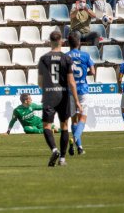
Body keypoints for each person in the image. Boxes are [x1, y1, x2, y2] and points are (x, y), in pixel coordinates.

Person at [38, 31, 82, 167]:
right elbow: (72, 82)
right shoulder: (66, 59)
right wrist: (77, 101)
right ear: (62, 42)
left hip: (49, 95)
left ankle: (54, 149)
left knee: (46, 125)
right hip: (63, 95)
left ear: (50, 41)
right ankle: (62, 159)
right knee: (64, 126)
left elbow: (40, 82)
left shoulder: (44, 59)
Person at [65, 32, 95, 155]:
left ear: (68, 44)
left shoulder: (65, 56)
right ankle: (75, 139)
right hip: (83, 89)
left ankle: (79, 147)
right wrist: (84, 75)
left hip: (70, 91)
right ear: (79, 43)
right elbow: (93, 72)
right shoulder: (86, 55)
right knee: (82, 117)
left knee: (74, 120)